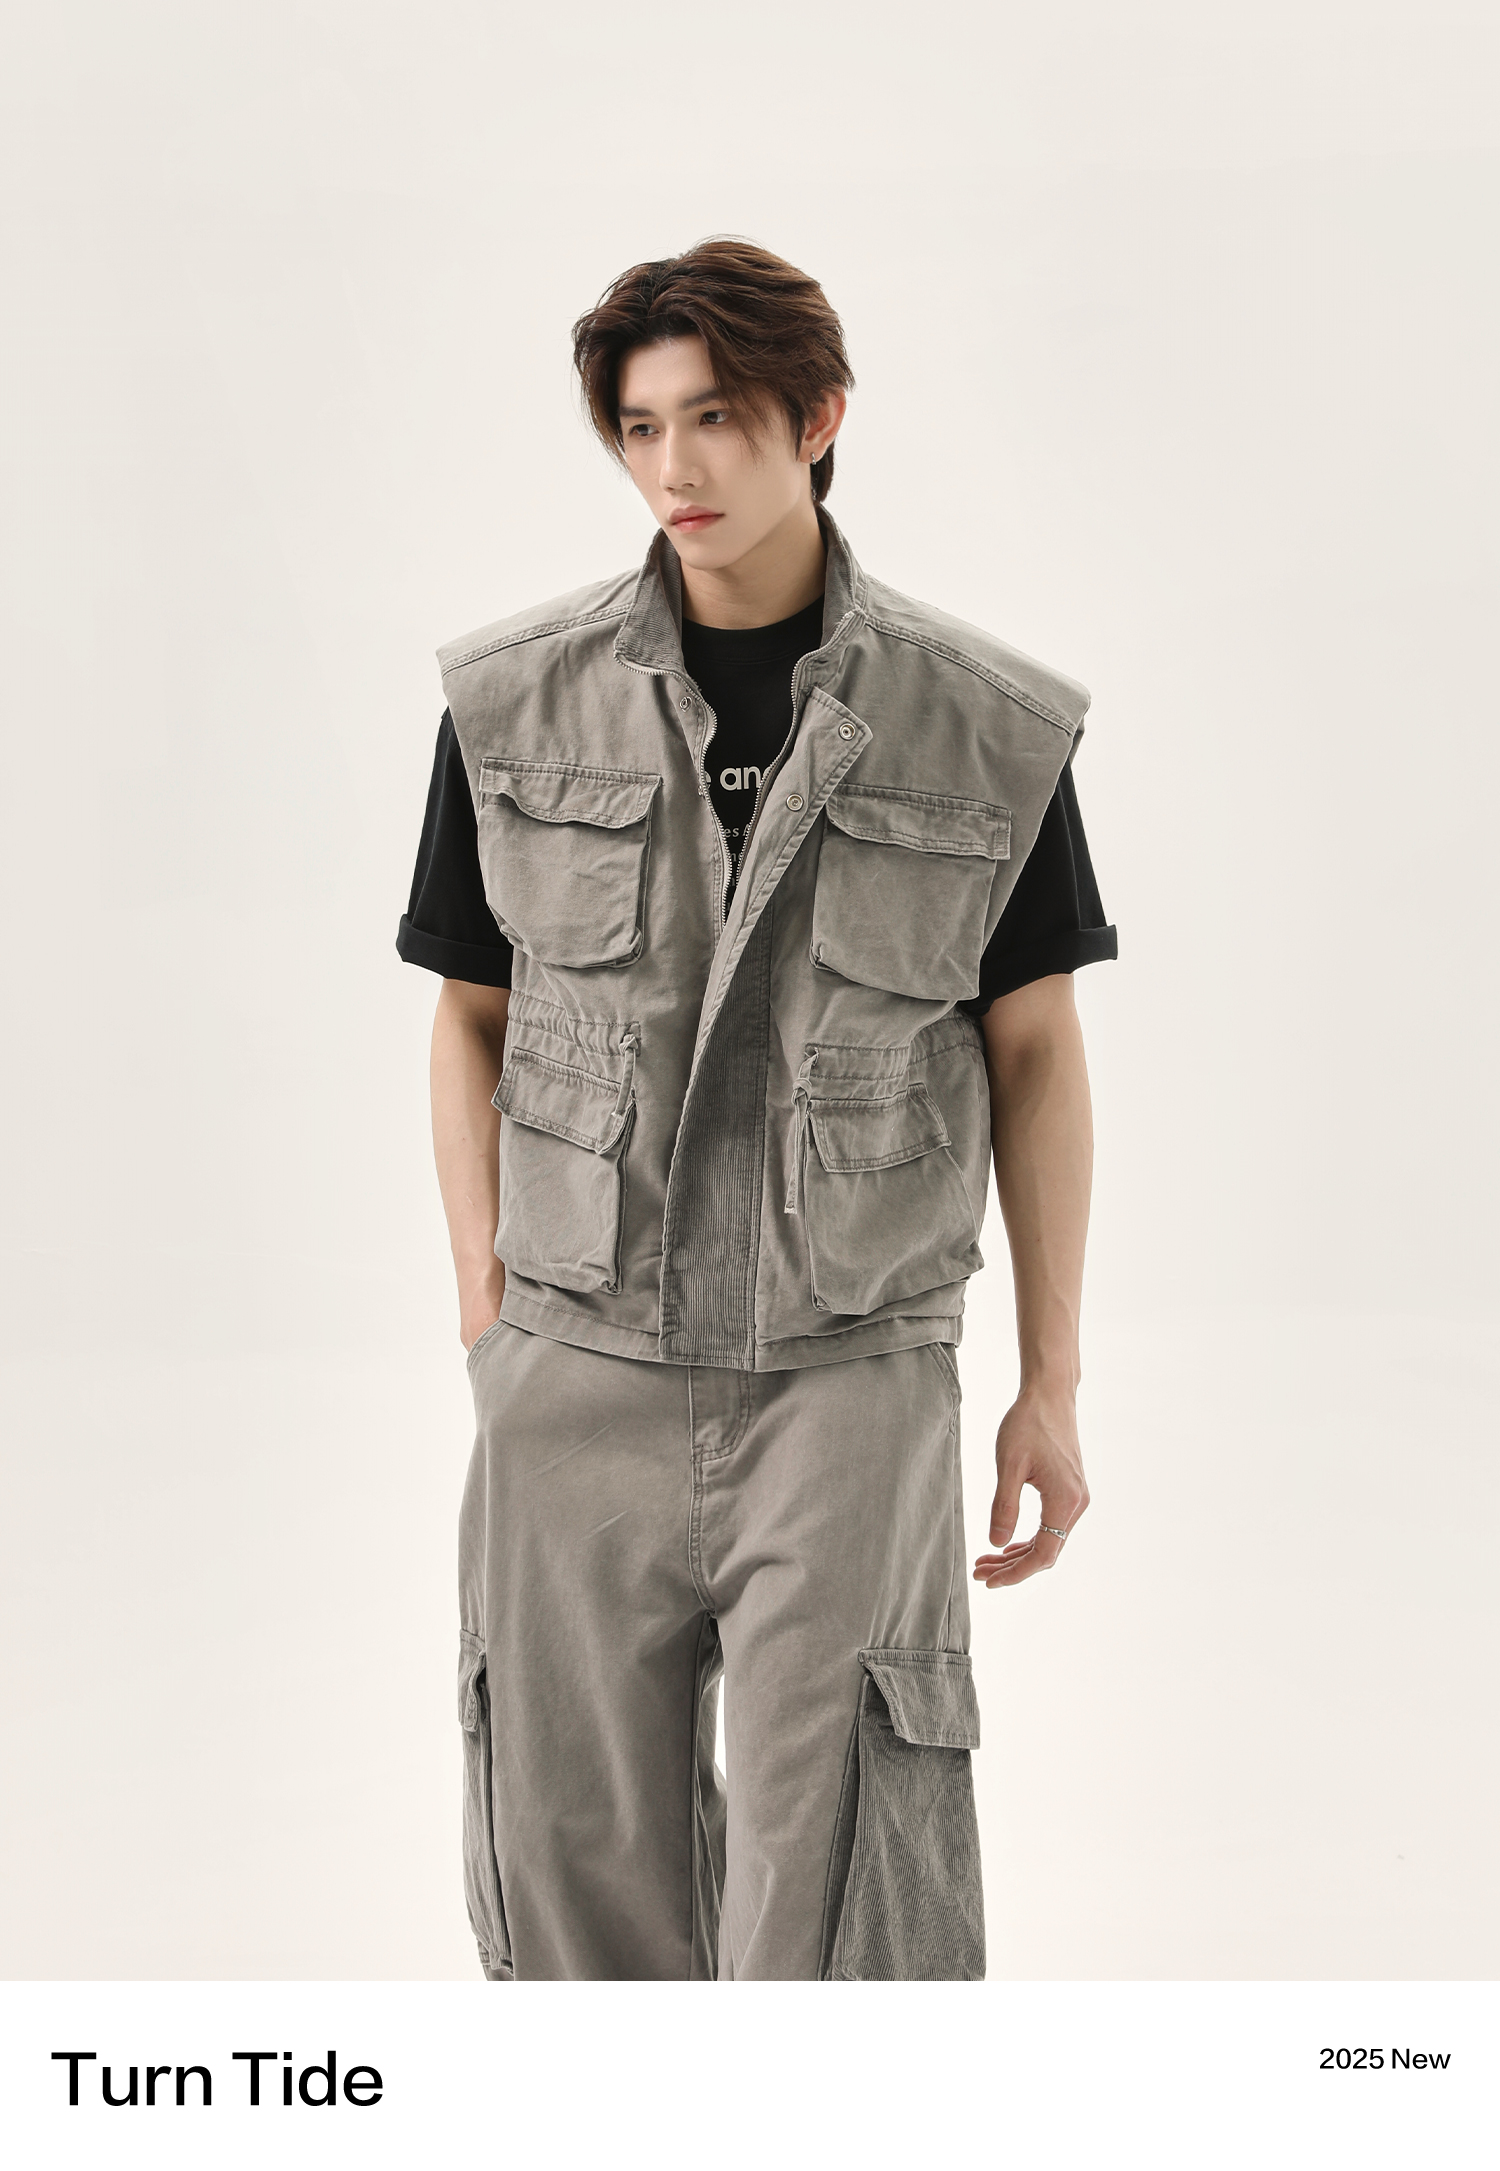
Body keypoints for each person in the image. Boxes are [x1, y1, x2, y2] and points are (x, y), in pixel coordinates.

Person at [397, 238, 1117, 1981]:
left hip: (848, 1380)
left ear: (818, 417)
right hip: (576, 1371)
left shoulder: (983, 725)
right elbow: (469, 1018)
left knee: (847, 1902)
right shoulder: (511, 705)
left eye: (715, 417)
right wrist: (491, 1311)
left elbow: (1035, 1051)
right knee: (573, 1883)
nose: (676, 467)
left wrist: (1050, 1383)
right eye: (641, 427)